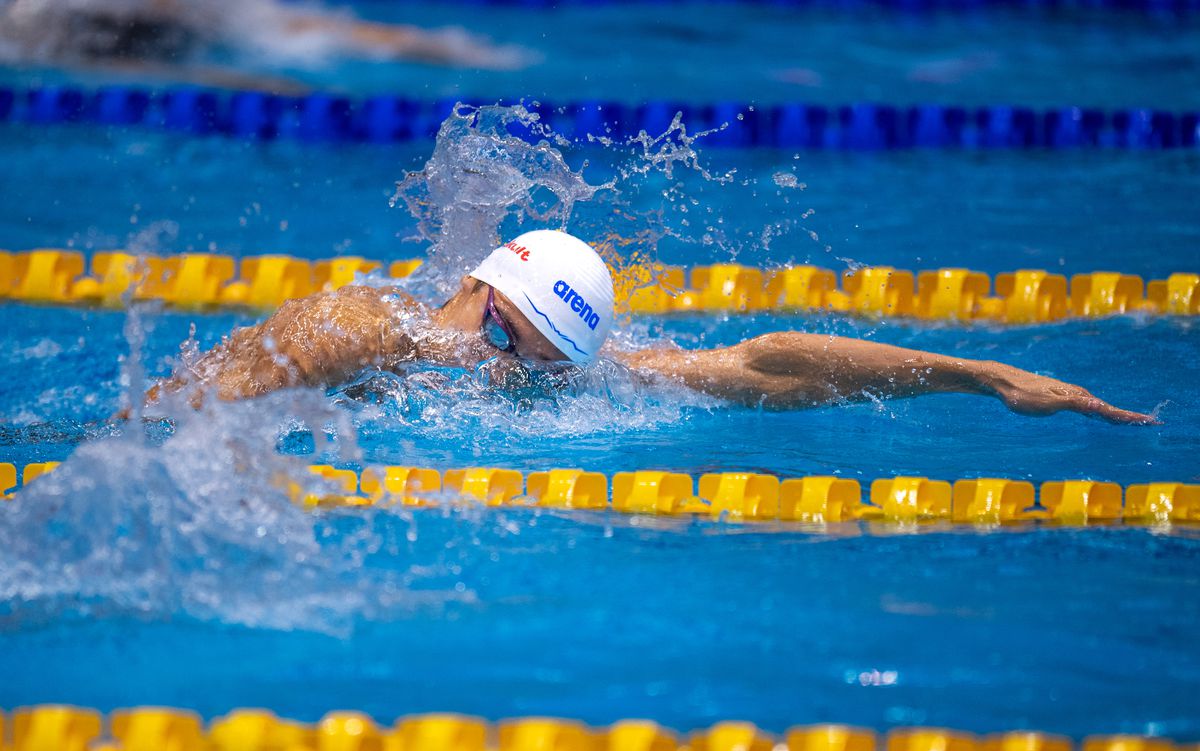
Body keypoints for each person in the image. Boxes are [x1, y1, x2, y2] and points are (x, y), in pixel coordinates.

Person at [145, 229, 1157, 425]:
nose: (499, 372)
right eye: (500, 339)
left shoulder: (557, 375)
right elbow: (176, 417)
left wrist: (973, 371)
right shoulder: (356, 327)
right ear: (473, 288)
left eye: (532, 367)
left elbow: (761, 367)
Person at [0, 0, 528, 93]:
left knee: (296, 28)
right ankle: (458, 50)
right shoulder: (46, 22)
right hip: (99, 35)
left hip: (173, 32)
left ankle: (453, 49)